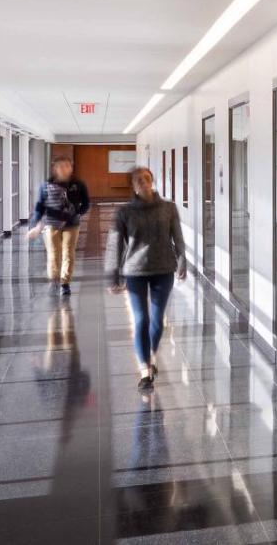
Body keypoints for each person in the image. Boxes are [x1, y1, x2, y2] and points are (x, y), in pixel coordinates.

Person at [105, 167, 187, 389]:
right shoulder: (125, 212)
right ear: (132, 185)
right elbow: (114, 244)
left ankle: (149, 353)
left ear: (152, 181)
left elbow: (177, 236)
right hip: (135, 271)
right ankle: (145, 369)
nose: (143, 182)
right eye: (137, 180)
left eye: (146, 178)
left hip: (163, 269)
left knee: (157, 321)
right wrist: (112, 273)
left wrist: (182, 259)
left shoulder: (168, 208)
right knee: (141, 319)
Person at [27, 154, 91, 296]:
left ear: (71, 168)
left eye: (67, 166)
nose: (64, 169)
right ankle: (54, 280)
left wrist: (78, 213)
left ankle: (65, 283)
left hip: (71, 224)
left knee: (68, 253)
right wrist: (35, 224)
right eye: (61, 166)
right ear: (55, 168)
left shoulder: (78, 184)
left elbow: (86, 203)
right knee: (53, 254)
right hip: (51, 224)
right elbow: (40, 206)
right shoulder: (46, 185)